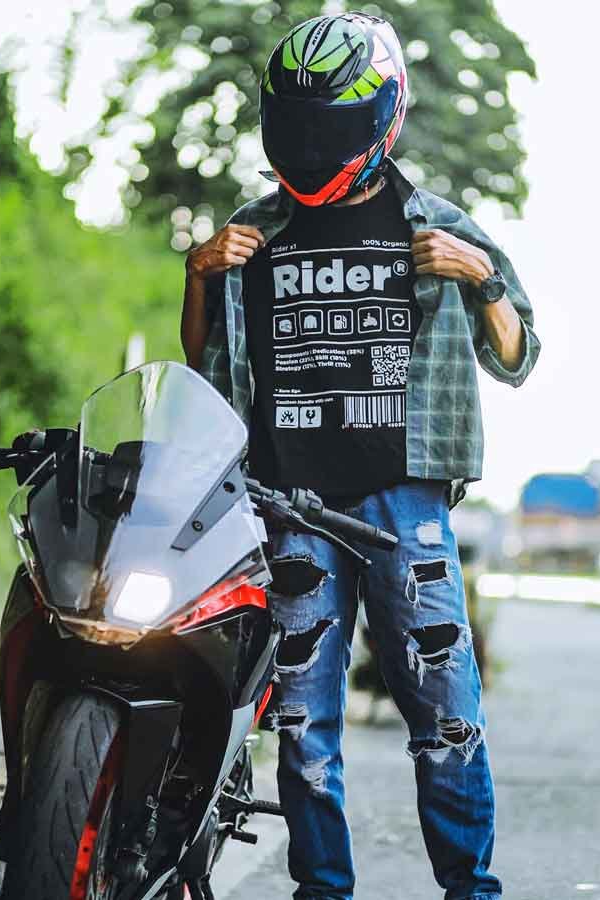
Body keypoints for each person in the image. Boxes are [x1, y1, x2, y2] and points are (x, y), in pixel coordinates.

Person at [181, 12, 540, 899]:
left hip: (403, 501)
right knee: (304, 725)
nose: (310, 145)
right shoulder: (252, 232)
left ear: (381, 117)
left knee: (447, 718)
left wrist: (481, 276)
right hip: (290, 504)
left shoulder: (440, 226)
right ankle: (323, 891)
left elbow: (516, 356)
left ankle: (471, 889)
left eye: (328, 126)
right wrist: (199, 274)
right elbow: (209, 366)